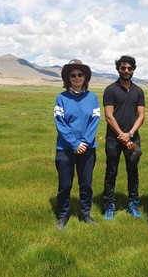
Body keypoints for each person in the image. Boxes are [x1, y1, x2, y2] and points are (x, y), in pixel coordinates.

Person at [54, 59, 101, 231]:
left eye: (80, 74)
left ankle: (85, 214)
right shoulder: (61, 98)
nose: (77, 77)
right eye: (73, 75)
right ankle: (63, 215)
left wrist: (85, 143)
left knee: (86, 184)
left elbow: (95, 121)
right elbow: (60, 123)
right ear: (68, 78)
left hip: (87, 149)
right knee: (65, 184)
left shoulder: (92, 97)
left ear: (85, 77)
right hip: (65, 149)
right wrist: (74, 144)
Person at [102, 55, 145, 219]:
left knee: (133, 172)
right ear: (118, 69)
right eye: (123, 68)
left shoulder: (138, 91)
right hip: (114, 139)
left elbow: (141, 116)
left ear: (133, 69)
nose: (126, 70)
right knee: (111, 171)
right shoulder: (111, 89)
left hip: (133, 138)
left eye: (129, 68)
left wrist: (130, 135)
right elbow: (109, 116)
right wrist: (122, 136)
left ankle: (133, 203)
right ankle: (109, 205)